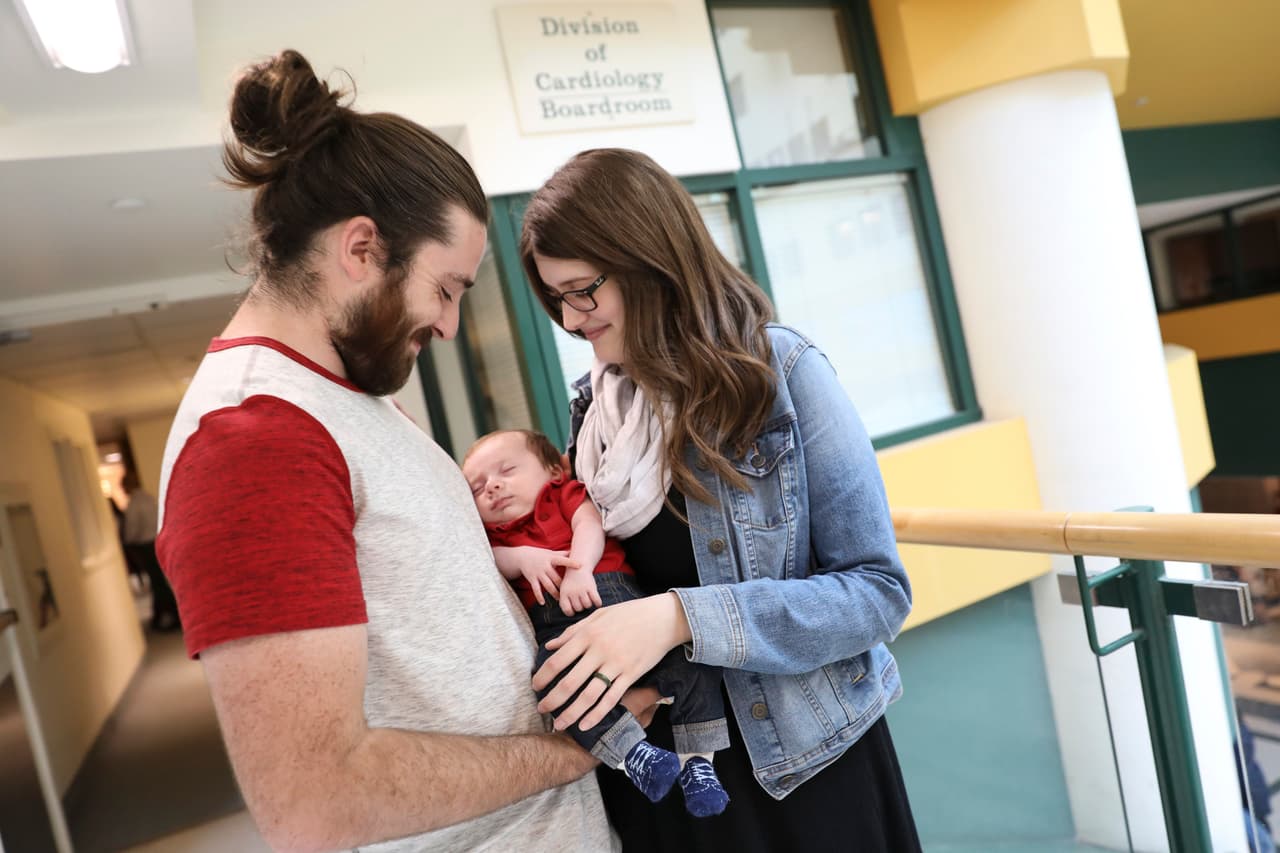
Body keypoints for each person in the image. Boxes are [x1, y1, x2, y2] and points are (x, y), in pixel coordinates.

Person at [154, 50, 619, 852]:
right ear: (362, 249)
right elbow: (317, 799)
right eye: (445, 290)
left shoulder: (349, 398)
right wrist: (575, 750)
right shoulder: (251, 440)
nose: (446, 327)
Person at [518, 148, 921, 851]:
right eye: (556, 299)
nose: (573, 318)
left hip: (802, 776)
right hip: (667, 784)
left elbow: (878, 592)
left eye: (583, 289)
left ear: (646, 256)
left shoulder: (781, 375)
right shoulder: (596, 414)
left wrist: (679, 617)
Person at [463, 429, 730, 816]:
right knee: (555, 683)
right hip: (560, 631)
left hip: (620, 604)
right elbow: (494, 560)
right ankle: (635, 756)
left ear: (554, 470)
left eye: (506, 470)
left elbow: (588, 525)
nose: (493, 486)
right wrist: (522, 558)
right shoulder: (493, 536)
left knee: (694, 659)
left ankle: (699, 763)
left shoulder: (563, 494)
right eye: (477, 487)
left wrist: (580, 568)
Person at [122, 471, 179, 631]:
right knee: (158, 580)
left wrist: (127, 541)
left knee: (157, 581)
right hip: (157, 541)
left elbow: (132, 530)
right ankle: (162, 613)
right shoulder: (149, 499)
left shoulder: (134, 504)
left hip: (146, 547)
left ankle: (169, 613)